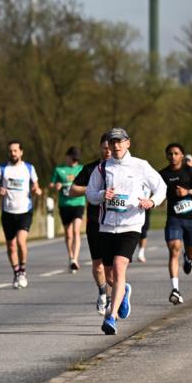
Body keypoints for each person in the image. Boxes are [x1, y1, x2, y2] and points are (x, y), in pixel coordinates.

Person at [86, 128, 166, 335]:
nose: (116, 146)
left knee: (120, 267)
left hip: (131, 225)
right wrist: (103, 195)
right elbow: (90, 194)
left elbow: (161, 187)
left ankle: (111, 318)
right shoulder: (102, 168)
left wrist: (152, 201)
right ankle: (125, 291)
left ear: (128, 143)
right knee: (110, 274)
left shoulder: (141, 166)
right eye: (113, 142)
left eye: (120, 142)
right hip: (106, 226)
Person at [159, 143, 192, 304]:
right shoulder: (163, 174)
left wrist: (189, 192)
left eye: (176, 153)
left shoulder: (189, 171)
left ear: (182, 155)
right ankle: (175, 289)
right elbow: (156, 193)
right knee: (174, 249)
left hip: (191, 219)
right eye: (170, 154)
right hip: (174, 219)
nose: (173, 156)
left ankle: (188, 259)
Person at [69, 134, 112, 315]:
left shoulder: (123, 168)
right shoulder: (90, 169)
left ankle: (112, 298)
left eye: (111, 147)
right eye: (104, 147)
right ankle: (103, 292)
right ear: (100, 148)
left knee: (112, 266)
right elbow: (72, 190)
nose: (108, 151)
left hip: (115, 223)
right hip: (95, 222)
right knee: (98, 266)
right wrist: (95, 191)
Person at [0, 140, 42, 288]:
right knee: (11, 246)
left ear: (21, 152)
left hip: (24, 210)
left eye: (15, 151)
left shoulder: (29, 168)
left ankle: (23, 271)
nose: (13, 153)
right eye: (10, 151)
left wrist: (36, 190)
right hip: (8, 211)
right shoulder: (2, 169)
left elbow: (36, 186)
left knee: (20, 241)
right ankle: (16, 272)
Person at [49, 146, 85, 272]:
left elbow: (87, 183)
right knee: (68, 234)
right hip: (64, 205)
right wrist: (56, 185)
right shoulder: (59, 170)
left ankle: (75, 259)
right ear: (67, 157)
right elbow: (52, 184)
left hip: (78, 203)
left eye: (76, 160)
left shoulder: (81, 169)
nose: (74, 162)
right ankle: (70, 257)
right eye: (73, 159)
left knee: (76, 231)